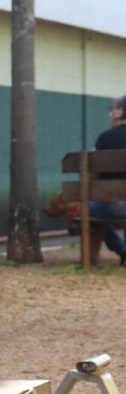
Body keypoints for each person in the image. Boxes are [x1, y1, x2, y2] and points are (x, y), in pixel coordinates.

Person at [90, 94, 126, 267]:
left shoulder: (104, 138)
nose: (111, 115)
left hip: (106, 206)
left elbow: (92, 175)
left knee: (89, 212)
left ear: (120, 112)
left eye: (113, 110)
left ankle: (122, 249)